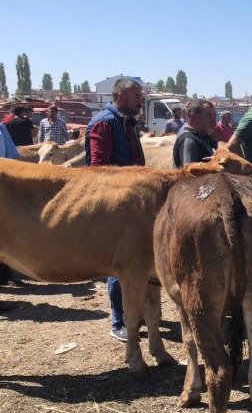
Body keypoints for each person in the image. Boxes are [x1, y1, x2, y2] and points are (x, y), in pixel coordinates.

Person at [85, 78, 146, 342]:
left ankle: (133, 311)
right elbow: (98, 169)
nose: (140, 99)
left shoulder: (127, 123)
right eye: (136, 95)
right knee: (118, 265)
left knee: (134, 261)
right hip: (116, 204)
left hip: (132, 203)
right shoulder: (104, 123)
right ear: (120, 96)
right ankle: (118, 320)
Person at [173, 100, 218, 167]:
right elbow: (189, 174)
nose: (214, 122)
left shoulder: (203, 136)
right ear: (193, 116)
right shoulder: (189, 140)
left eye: (214, 116)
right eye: (209, 115)